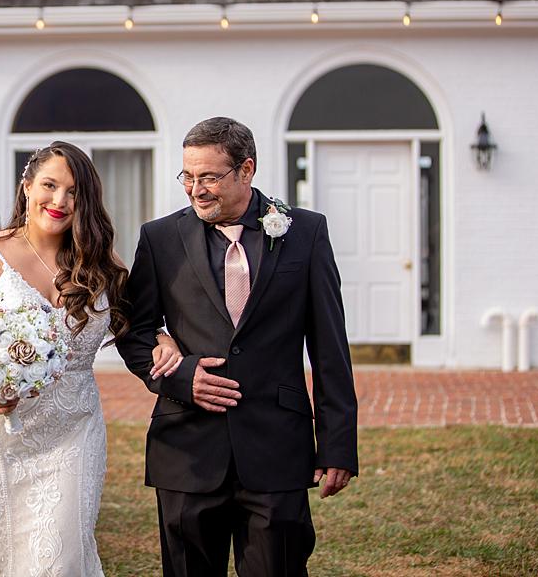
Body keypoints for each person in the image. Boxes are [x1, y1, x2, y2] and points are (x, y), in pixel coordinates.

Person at [116, 117, 359, 577]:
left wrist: (338, 445)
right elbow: (133, 329)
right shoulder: (160, 238)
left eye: (209, 177)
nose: (195, 189)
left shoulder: (305, 232)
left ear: (246, 170)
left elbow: (330, 344)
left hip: (277, 446)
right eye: (187, 175)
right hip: (186, 448)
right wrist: (183, 378)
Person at [0, 141, 182, 576]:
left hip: (73, 430)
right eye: (49, 185)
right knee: (0, 560)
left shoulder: (100, 264)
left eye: (73, 192)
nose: (60, 201)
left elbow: (139, 323)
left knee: (61, 555)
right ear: (27, 186)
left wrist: (163, 337)